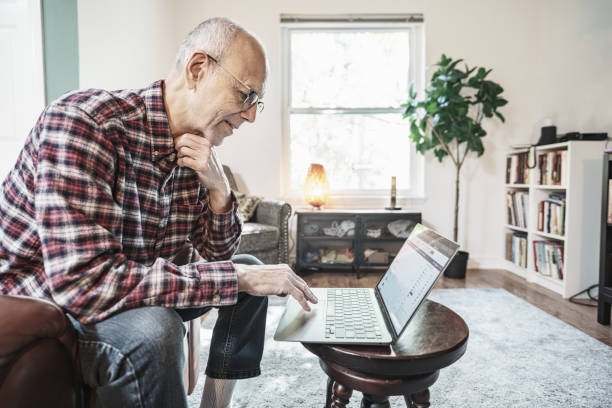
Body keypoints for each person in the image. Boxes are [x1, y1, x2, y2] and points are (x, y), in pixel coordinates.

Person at [0, 17, 317, 408]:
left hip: (129, 284)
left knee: (250, 275)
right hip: (55, 302)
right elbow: (83, 285)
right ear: (198, 69)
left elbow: (220, 255)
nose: (251, 115)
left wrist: (219, 190)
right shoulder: (83, 124)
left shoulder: (193, 153)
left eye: (257, 101)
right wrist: (236, 276)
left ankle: (215, 403)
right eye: (246, 94)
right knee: (157, 327)